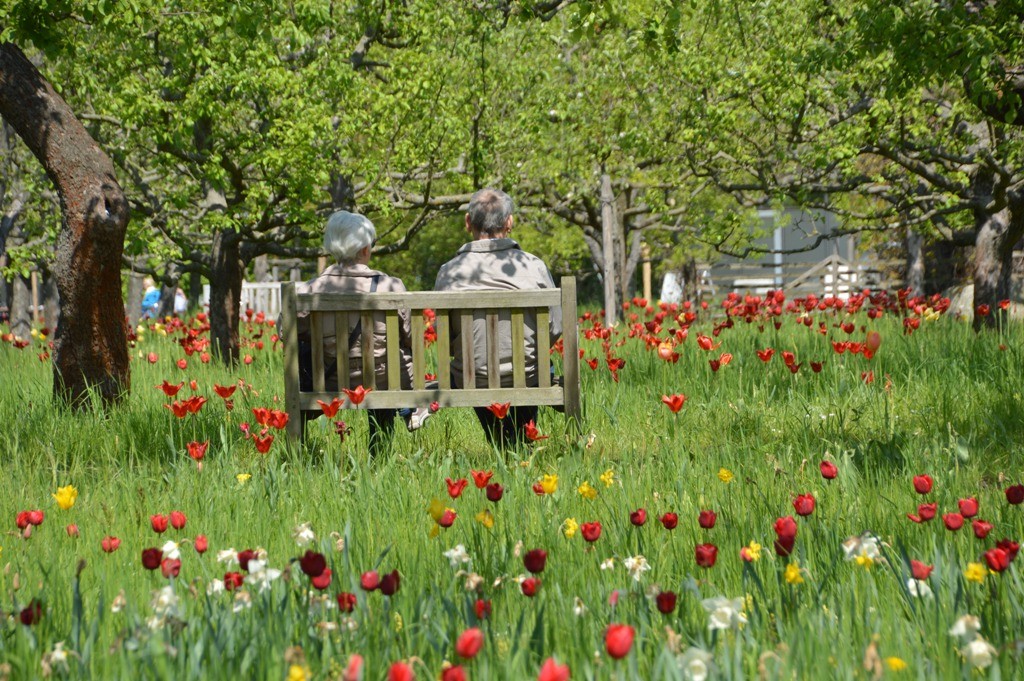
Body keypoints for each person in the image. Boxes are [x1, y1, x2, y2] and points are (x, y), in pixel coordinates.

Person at [434, 188, 561, 446]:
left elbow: (444, 338)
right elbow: (555, 327)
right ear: (510, 222)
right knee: (532, 373)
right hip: (528, 375)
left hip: (472, 377)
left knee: (474, 371)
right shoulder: (533, 267)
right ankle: (517, 443)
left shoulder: (449, 272)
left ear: (468, 223)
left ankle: (503, 443)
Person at [294, 211, 429, 454]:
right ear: (365, 248)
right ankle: (383, 448)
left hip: (331, 381)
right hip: (383, 380)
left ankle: (299, 449)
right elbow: (411, 337)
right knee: (389, 358)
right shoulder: (391, 286)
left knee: (306, 350)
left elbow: (287, 333)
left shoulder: (312, 290)